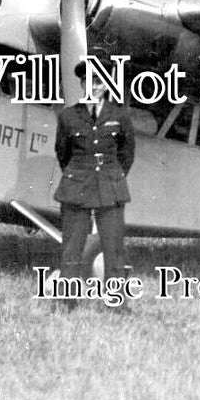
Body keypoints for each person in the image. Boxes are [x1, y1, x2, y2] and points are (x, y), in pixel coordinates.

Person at [53, 60, 135, 304]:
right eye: (89, 81)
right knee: (71, 248)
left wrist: (112, 176)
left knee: (114, 249)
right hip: (76, 187)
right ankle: (67, 302)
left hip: (110, 187)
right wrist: (80, 173)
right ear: (81, 84)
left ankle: (116, 302)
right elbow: (63, 153)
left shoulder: (120, 115)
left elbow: (127, 154)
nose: (94, 86)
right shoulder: (69, 116)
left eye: (99, 81)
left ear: (107, 85)